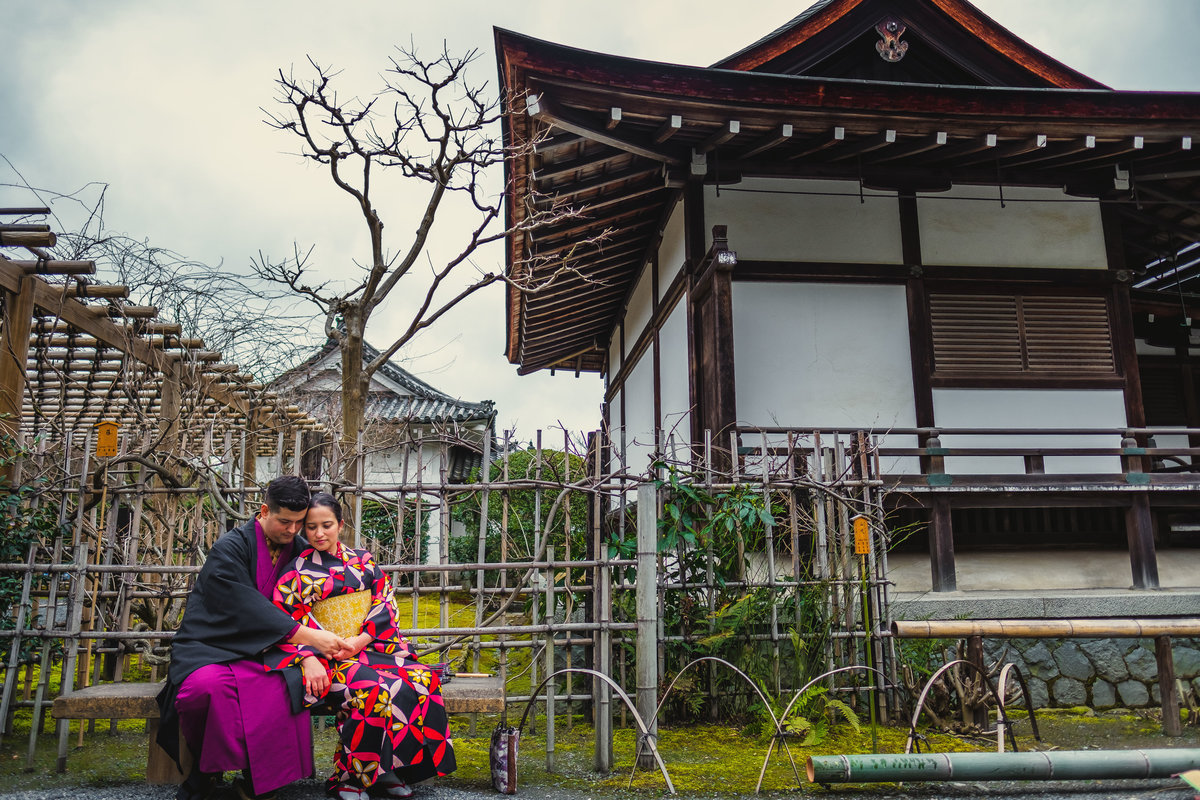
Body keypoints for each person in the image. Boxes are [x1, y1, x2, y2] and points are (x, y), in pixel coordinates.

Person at [156, 476, 349, 800]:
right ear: (264, 511)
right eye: (285, 521)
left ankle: (260, 783)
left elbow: (308, 607)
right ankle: (206, 773)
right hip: (212, 645)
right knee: (205, 689)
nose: (292, 531)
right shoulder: (230, 548)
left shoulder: (301, 550)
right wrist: (308, 639)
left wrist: (307, 654)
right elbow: (243, 606)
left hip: (272, 650)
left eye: (298, 523)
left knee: (283, 688)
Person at [265, 492, 457, 800]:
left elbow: (385, 602)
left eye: (326, 525)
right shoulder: (294, 574)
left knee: (422, 681)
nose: (319, 533)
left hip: (368, 646)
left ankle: (390, 769)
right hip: (327, 657)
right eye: (311, 527)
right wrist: (316, 652)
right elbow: (286, 623)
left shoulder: (364, 561)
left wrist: (361, 639)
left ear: (340, 525)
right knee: (374, 690)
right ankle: (351, 779)